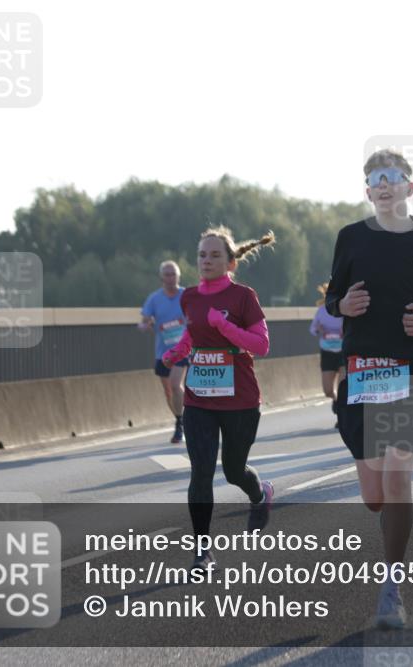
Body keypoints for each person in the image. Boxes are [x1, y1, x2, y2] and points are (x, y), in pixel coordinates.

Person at [326, 149, 413, 629]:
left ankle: (392, 589)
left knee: (400, 478)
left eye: (391, 178)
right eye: (374, 179)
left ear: (409, 187)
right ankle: (389, 563)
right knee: (374, 497)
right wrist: (344, 307)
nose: (382, 186)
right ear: (368, 190)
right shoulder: (351, 237)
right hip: (362, 371)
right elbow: (333, 296)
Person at [161, 228, 277, 572]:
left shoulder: (243, 297)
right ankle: (202, 552)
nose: (206, 260)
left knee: (233, 470)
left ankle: (260, 496)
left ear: (230, 262)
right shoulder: (190, 297)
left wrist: (225, 328)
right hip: (199, 399)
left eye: (214, 255)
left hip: (240, 398)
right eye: (201, 255)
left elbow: (261, 345)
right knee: (200, 473)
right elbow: (192, 334)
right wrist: (178, 352)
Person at [140, 260, 188, 443]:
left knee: (176, 385)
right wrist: (146, 324)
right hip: (163, 352)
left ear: (178, 276)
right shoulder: (154, 298)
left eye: (173, 274)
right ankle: (179, 418)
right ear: (161, 277)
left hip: (183, 349)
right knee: (168, 391)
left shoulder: (186, 295)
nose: (170, 278)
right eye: (167, 274)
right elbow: (144, 320)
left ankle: (181, 424)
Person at [309, 282, 345, 428]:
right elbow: (312, 329)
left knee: (344, 388)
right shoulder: (322, 311)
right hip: (327, 351)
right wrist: (319, 329)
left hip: (343, 351)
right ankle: (336, 401)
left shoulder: (346, 308)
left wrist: (346, 332)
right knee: (328, 390)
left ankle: (341, 416)